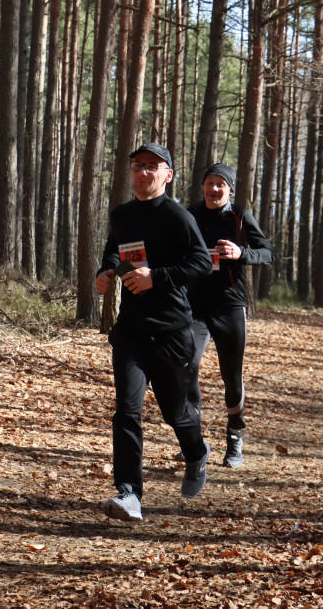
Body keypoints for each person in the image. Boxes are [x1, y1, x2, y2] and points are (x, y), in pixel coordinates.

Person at [94, 143, 214, 522]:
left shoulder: (177, 217)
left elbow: (201, 262)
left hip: (171, 332)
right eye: (137, 166)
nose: (143, 172)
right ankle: (130, 493)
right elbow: (115, 249)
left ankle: (196, 453)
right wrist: (107, 270)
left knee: (175, 412)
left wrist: (156, 278)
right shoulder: (123, 214)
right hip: (131, 330)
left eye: (152, 166)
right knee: (127, 410)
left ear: (168, 175)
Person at [186, 163, 274, 469]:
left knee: (231, 375)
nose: (213, 188)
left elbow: (267, 252)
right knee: (188, 365)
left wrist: (241, 253)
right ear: (203, 187)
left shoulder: (240, 216)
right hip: (194, 307)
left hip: (231, 307)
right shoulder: (191, 214)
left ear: (230, 190)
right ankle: (192, 440)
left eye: (219, 184)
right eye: (209, 182)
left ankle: (235, 437)